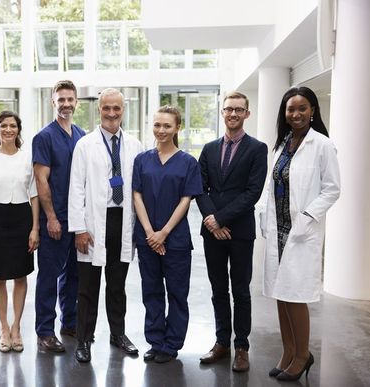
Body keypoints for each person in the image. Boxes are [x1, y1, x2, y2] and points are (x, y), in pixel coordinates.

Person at [261, 86, 340, 381]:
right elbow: (273, 186)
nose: (295, 114)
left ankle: (303, 355)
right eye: (290, 109)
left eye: (302, 108)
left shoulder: (322, 145)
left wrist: (308, 216)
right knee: (281, 295)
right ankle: (287, 351)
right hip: (279, 228)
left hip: (300, 230)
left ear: (313, 111)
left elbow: (333, 188)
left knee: (295, 296)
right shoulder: (282, 144)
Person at [68, 88, 143, 363]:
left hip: (121, 222)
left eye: (117, 108)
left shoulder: (135, 145)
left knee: (117, 285)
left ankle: (118, 334)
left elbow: (138, 190)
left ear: (123, 110)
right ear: (99, 109)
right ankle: (84, 340)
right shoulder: (85, 145)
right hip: (92, 224)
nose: (112, 113)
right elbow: (76, 187)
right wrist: (79, 228)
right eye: (106, 108)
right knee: (87, 288)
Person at [196, 91, 268, 372]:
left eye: (239, 109)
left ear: (247, 114)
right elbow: (199, 188)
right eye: (228, 109)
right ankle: (221, 342)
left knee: (241, 290)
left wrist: (221, 218)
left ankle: (242, 347)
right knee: (218, 290)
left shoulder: (257, 148)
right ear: (222, 112)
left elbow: (253, 192)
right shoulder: (209, 148)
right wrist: (212, 221)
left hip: (239, 232)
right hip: (213, 232)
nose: (233, 114)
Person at [132, 106, 202, 363]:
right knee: (150, 291)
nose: (161, 131)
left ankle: (172, 344)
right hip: (147, 237)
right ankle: (155, 341)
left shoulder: (188, 162)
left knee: (176, 292)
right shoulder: (142, 160)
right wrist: (151, 232)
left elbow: (186, 200)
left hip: (176, 239)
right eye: (157, 125)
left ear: (177, 128)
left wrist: (164, 232)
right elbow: (136, 195)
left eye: (167, 126)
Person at [0, 111, 40, 353]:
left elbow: (34, 195)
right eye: (4, 125)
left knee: (20, 275)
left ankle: (17, 328)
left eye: (13, 126)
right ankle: (4, 328)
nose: (8, 129)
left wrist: (35, 228)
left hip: (22, 219)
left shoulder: (27, 158)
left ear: (18, 130)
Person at [32, 80, 86, 352]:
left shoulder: (81, 135)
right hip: (56, 218)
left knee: (74, 274)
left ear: (77, 102)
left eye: (70, 99)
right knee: (49, 275)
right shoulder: (44, 137)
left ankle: (69, 321)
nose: (66, 104)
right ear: (53, 102)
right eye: (60, 99)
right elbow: (41, 180)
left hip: (78, 219)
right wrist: (51, 217)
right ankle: (44, 331)